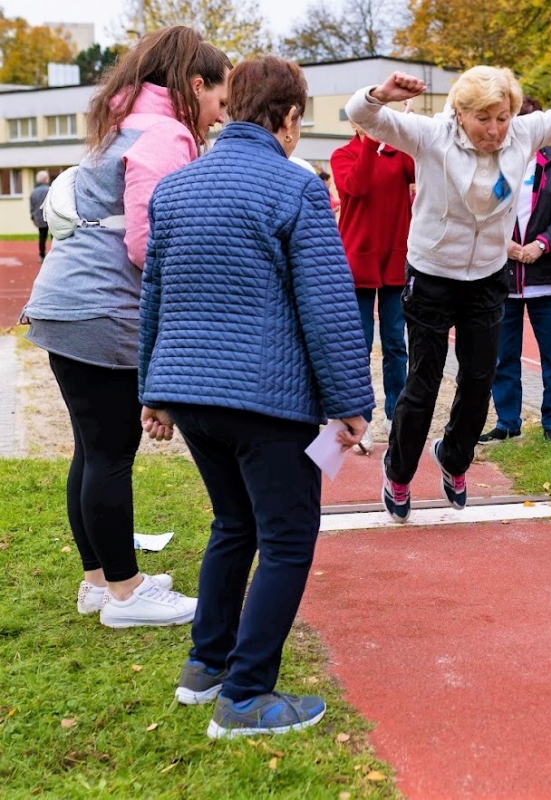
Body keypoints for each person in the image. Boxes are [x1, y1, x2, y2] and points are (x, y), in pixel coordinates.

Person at [139, 55, 373, 738]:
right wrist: (351, 404)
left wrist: (151, 392)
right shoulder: (295, 189)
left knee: (233, 525)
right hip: (265, 398)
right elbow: (328, 308)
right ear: (291, 118)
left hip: (190, 394)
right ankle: (244, 697)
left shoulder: (177, 189)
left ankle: (206, 666)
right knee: (288, 538)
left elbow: (153, 297)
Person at [21, 26, 229, 628]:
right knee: (112, 451)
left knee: (91, 450)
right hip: (102, 309)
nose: (219, 118)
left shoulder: (122, 122)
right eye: (218, 102)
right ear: (195, 85)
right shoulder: (167, 133)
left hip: (66, 303)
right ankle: (125, 592)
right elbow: (147, 241)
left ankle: (99, 580)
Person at [346, 62, 551, 520]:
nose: (494, 130)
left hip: (488, 276)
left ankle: (453, 457)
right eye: (483, 119)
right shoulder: (431, 136)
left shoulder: (522, 134)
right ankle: (400, 471)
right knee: (424, 382)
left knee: (479, 379)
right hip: (431, 274)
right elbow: (365, 116)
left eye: (502, 118)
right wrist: (380, 93)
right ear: (460, 114)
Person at [478, 98, 551, 447]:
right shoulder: (499, 166)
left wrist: (542, 244)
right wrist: (505, 244)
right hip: (504, 277)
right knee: (504, 355)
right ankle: (507, 422)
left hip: (546, 277)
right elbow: (487, 210)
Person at [331, 121, 416, 454]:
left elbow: (419, 165)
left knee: (396, 343)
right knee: (359, 345)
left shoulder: (399, 154)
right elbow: (356, 187)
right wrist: (370, 144)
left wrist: (404, 131)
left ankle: (395, 415)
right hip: (358, 261)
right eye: (363, 119)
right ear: (353, 123)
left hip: (395, 259)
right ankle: (359, 419)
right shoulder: (344, 155)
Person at [30, 170, 50, 261]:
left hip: (39, 218)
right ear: (45, 179)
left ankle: (42, 256)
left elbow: (32, 206)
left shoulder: (34, 192)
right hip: (50, 216)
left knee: (42, 236)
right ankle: (55, 255)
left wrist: (33, 216)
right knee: (55, 236)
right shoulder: (50, 189)